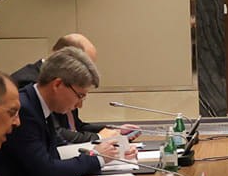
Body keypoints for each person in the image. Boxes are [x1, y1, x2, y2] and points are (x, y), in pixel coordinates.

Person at [0, 46, 132, 176]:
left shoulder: (40, 106)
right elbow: (46, 171)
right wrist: (96, 158)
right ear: (58, 84)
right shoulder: (25, 110)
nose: (79, 105)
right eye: (80, 96)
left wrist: (108, 152)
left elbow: (55, 155)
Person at [8, 33, 136, 138]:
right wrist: (100, 137)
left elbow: (75, 127)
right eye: (84, 65)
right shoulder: (29, 83)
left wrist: (113, 131)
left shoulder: (69, 82)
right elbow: (57, 134)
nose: (88, 72)